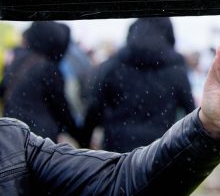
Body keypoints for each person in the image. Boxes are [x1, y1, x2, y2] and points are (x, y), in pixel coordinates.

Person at [0, 42, 220, 194]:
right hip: (144, 140)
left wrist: (206, 125)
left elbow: (119, 183)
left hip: (129, 145)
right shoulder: (172, 68)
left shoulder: (8, 148)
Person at [82, 17, 195, 152]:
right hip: (160, 152)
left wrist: (84, 141)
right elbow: (191, 114)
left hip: (118, 150)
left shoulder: (114, 66)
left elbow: (94, 108)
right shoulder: (176, 71)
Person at [0, 21, 84, 143]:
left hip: (12, 133)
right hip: (38, 140)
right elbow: (61, 109)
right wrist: (81, 138)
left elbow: (0, 91)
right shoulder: (48, 68)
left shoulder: (19, 60)